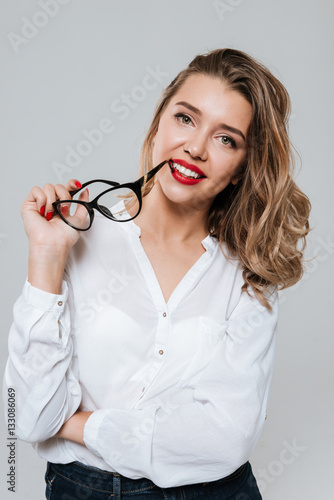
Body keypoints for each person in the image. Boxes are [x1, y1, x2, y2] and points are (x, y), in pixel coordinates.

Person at [3, 48, 311, 499]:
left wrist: (74, 425)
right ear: (159, 120)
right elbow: (27, 417)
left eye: (226, 139)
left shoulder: (248, 272)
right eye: (186, 118)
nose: (196, 147)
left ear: (243, 168)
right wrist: (47, 256)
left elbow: (226, 437)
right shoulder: (76, 235)